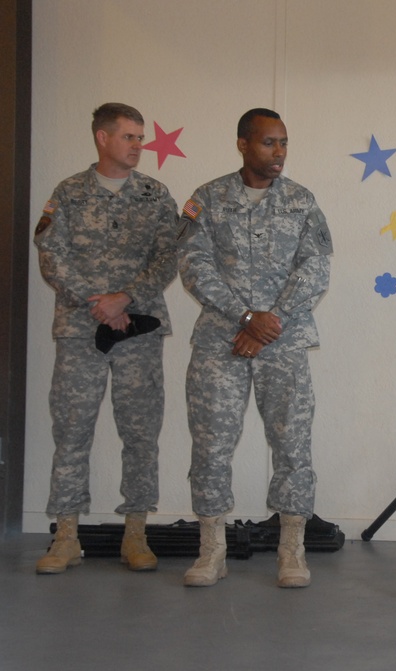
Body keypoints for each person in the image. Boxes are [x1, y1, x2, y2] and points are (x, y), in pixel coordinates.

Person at [177, 108, 332, 588]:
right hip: (220, 342)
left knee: (291, 444)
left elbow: (316, 268)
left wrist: (269, 323)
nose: (279, 152)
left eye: (284, 142)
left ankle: (291, 551)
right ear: (243, 143)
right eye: (268, 142)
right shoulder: (208, 199)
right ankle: (212, 551)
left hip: (283, 343)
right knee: (210, 445)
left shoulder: (301, 202)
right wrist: (246, 318)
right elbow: (193, 264)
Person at [33, 102, 179, 574]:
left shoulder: (156, 196)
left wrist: (125, 299)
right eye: (130, 137)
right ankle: (67, 535)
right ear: (102, 138)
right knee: (72, 431)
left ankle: (135, 533)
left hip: (139, 331)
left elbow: (168, 259)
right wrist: (98, 302)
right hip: (81, 330)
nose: (139, 145)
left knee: (141, 433)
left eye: (141, 137)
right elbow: (51, 255)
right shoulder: (69, 194)